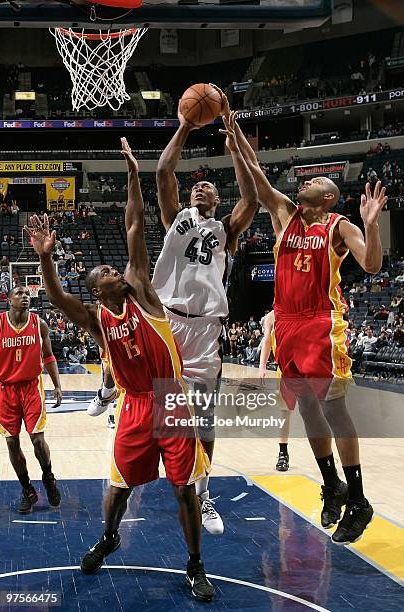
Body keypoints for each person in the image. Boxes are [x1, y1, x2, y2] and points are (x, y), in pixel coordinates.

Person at [26, 138, 214, 602]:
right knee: (118, 486)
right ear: (97, 288)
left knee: (184, 489)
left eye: (114, 267)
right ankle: (109, 536)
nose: (115, 270)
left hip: (170, 398)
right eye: (106, 271)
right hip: (133, 405)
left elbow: (134, 225)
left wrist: (132, 174)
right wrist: (47, 258)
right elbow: (56, 299)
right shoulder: (96, 318)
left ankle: (195, 565)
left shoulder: (144, 293)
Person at [91, 107, 258, 535]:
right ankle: (108, 385)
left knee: (201, 417)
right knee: (126, 349)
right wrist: (184, 124)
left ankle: (202, 493)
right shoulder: (176, 219)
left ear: (216, 200)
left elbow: (252, 200)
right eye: (196, 186)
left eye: (207, 186)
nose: (200, 188)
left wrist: (236, 144)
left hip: (204, 330)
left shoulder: (226, 230)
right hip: (166, 320)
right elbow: (165, 170)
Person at [235, 117, 387, 544]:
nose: (306, 181)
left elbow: (373, 264)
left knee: (335, 410)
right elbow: (259, 181)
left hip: (321, 322)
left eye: (316, 179)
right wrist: (235, 142)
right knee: (305, 409)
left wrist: (372, 225)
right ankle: (332, 484)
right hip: (286, 323)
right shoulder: (285, 214)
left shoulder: (339, 226)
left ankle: (358, 499)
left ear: (328, 196)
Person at [0, 286, 62, 513]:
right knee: (11, 443)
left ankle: (48, 477)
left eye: (27, 294)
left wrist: (57, 385)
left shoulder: (39, 324)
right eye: (19, 294)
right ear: (9, 300)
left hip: (31, 388)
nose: (25, 296)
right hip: (6, 390)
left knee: (37, 440)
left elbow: (49, 356)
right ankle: (28, 490)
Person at [258, 310, 291, 471]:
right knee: (284, 412)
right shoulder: (272, 316)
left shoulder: (300, 307)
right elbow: (267, 341)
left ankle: (326, 455)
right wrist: (262, 365)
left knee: (315, 412)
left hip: (305, 365)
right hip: (284, 369)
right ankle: (283, 453)